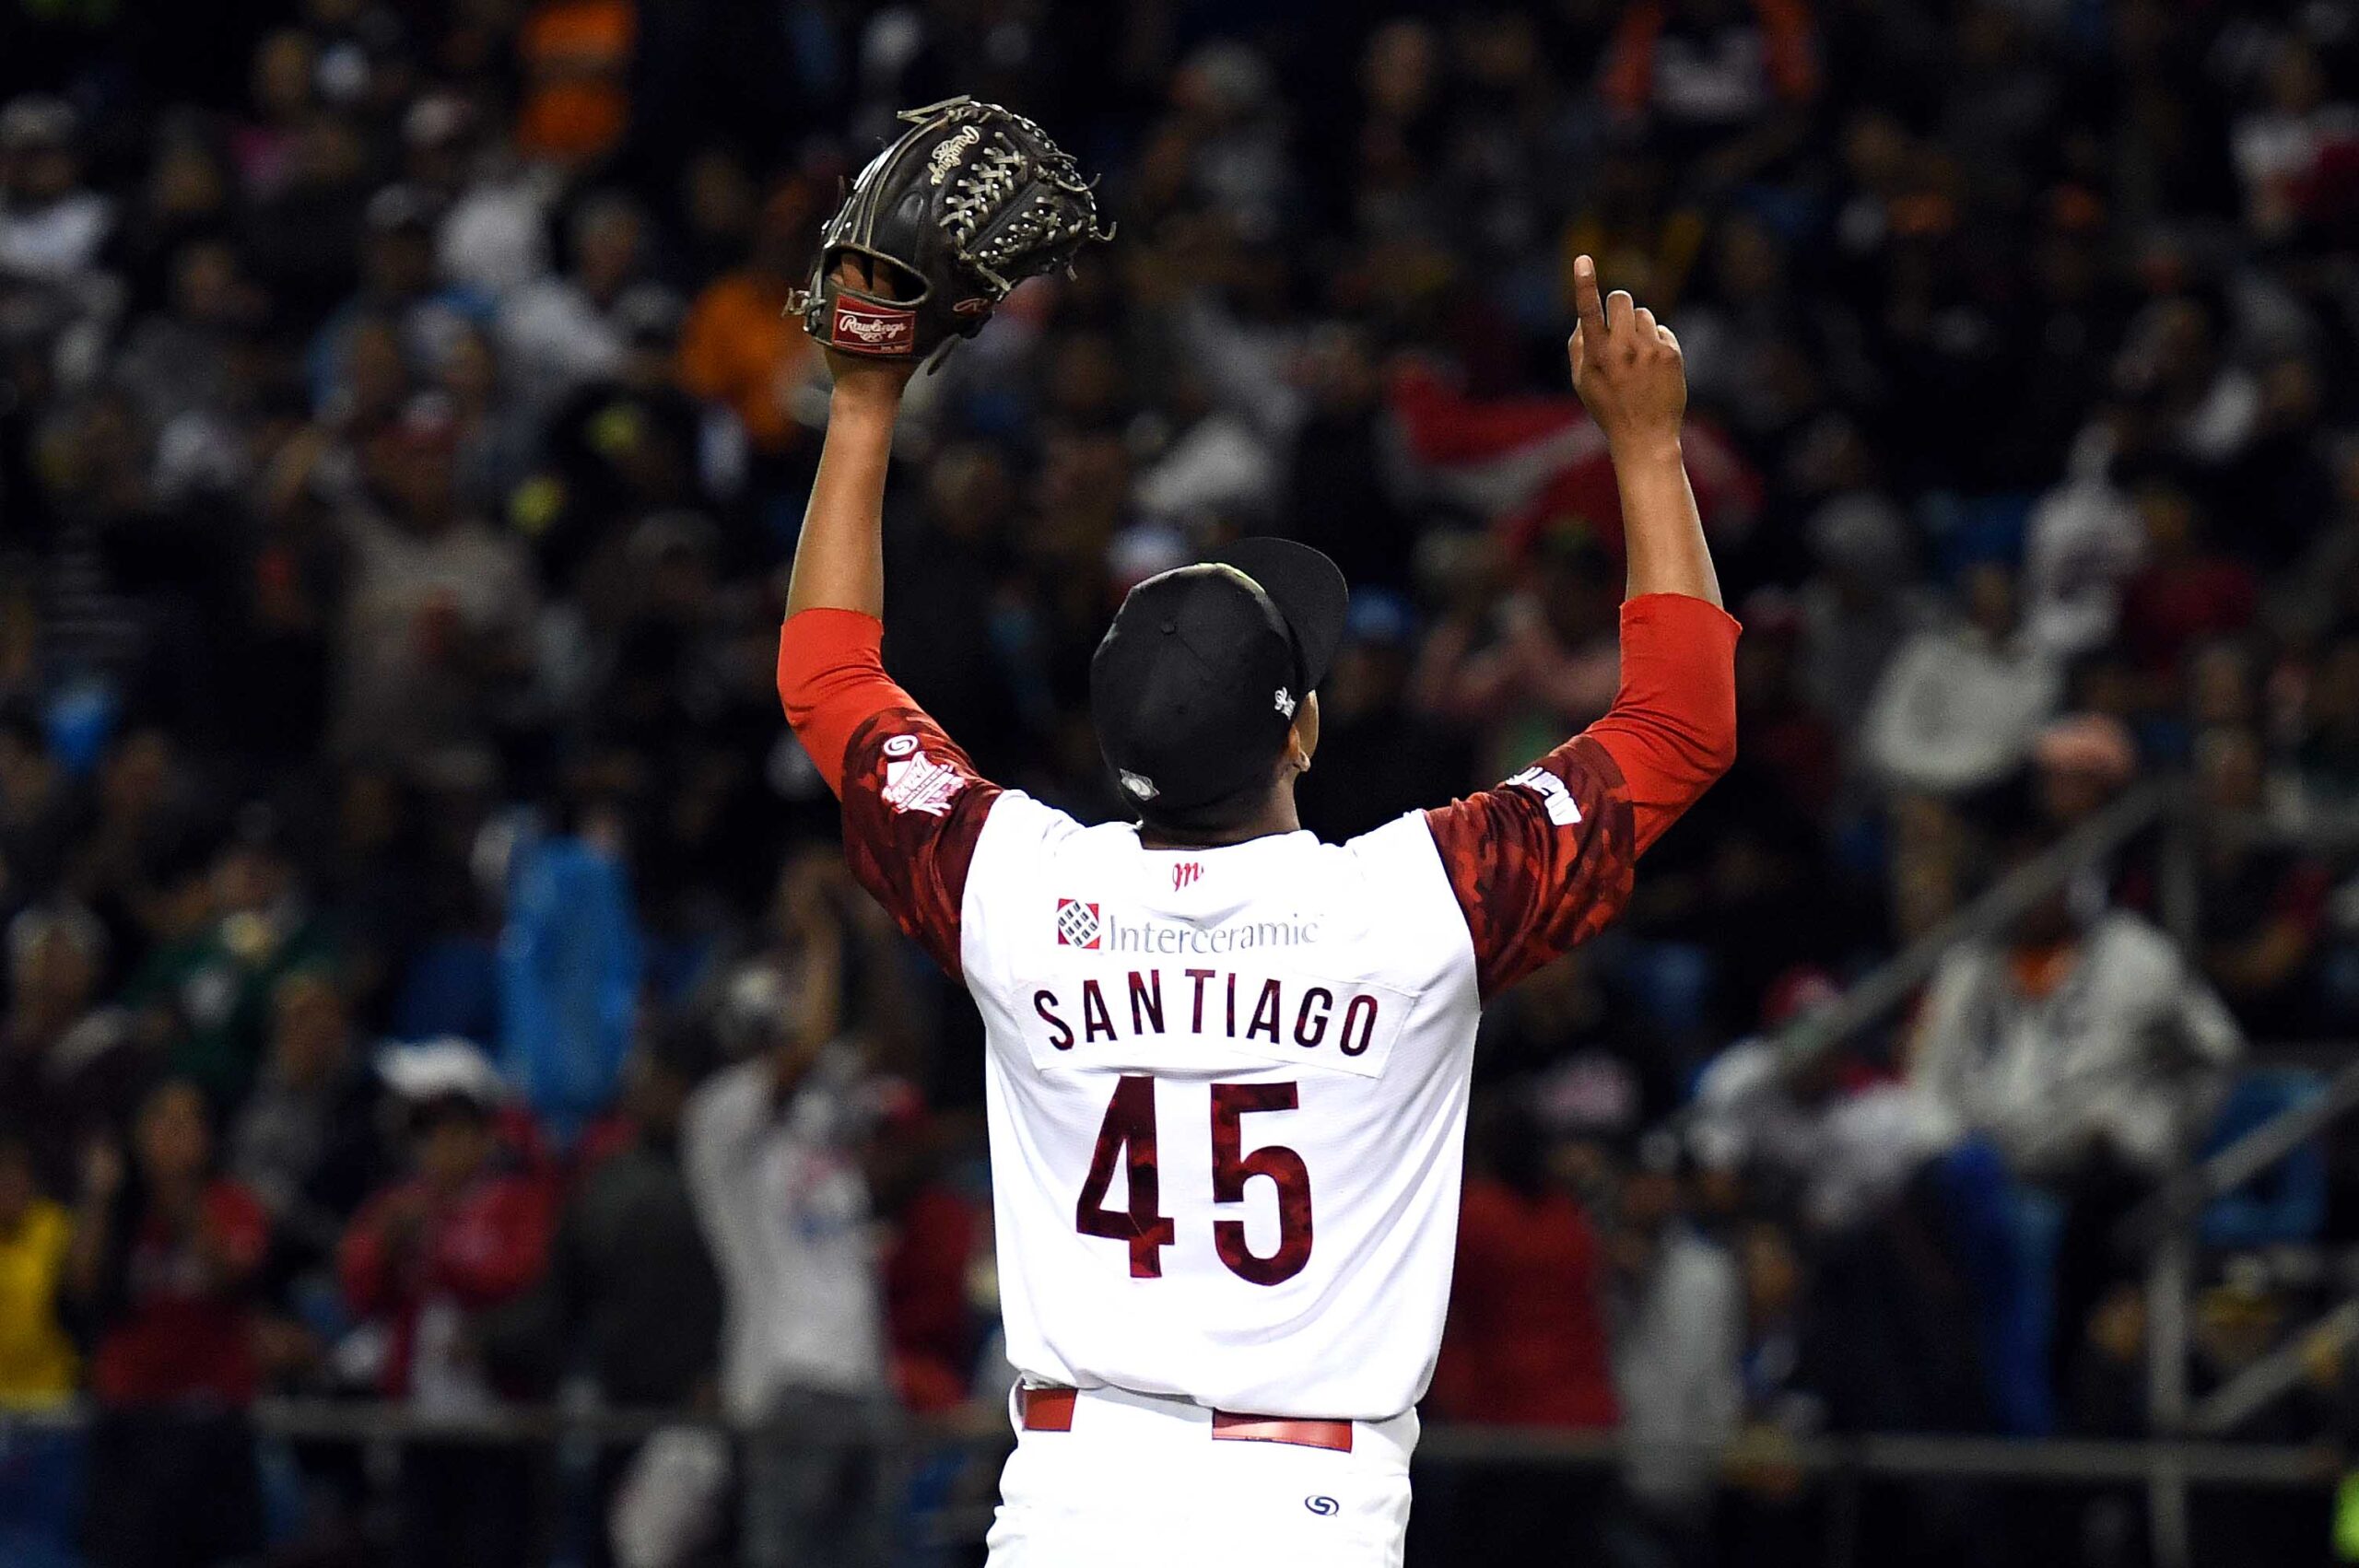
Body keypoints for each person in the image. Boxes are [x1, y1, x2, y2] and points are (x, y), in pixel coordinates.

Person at [773, 252, 1736, 1565]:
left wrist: (867, 405)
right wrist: (1647, 445)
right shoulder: (1417, 906)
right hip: (1304, 1510)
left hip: (1066, 1500)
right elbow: (1682, 720)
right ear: (1305, 732)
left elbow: (827, 673)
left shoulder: (1020, 886)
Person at [66, 1079, 269, 1568]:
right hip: (131, 1426)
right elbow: (81, 1291)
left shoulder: (232, 1203)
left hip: (212, 1426)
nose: (173, 1136)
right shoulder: (117, 1211)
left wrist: (180, 1194)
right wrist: (99, 1198)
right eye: (161, 1122)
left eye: (186, 1123)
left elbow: (229, 1280)